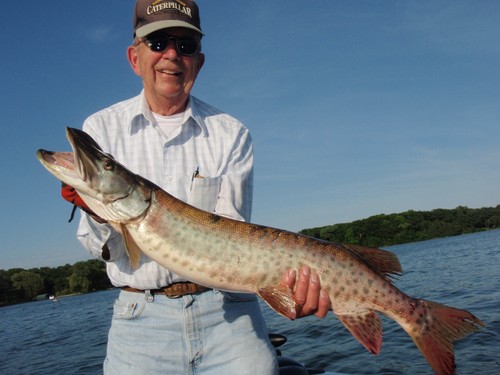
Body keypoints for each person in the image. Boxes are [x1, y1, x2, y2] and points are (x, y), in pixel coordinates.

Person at [62, 1, 331, 374]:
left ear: (198, 61)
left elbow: (235, 249)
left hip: (229, 316)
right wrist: (98, 213)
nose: (171, 55)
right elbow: (100, 248)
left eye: (185, 45)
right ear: (134, 57)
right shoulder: (101, 130)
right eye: (157, 42)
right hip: (140, 317)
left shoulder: (230, 132)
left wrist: (288, 292)